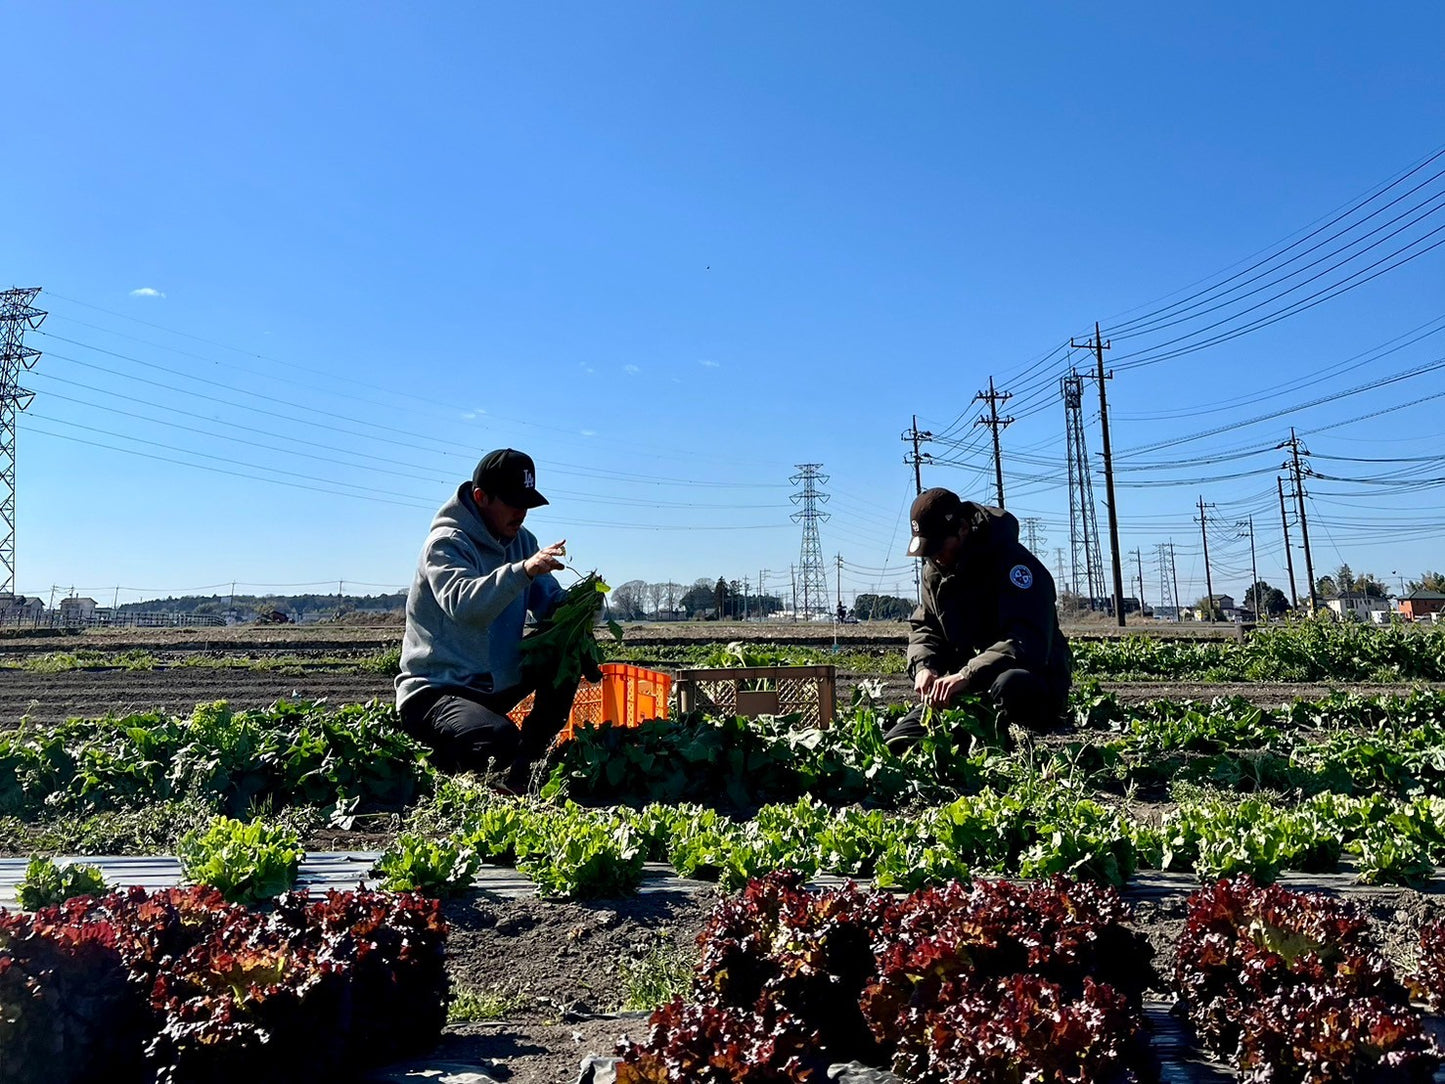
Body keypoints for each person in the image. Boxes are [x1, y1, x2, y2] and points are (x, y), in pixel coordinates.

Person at [395, 448, 581, 789]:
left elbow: (550, 603)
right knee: (496, 741)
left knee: (565, 651)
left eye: (527, 504)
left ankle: (530, 761)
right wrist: (523, 570)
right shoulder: (446, 544)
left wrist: (583, 605)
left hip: (493, 686)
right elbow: (465, 607)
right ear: (481, 497)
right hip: (437, 691)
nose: (521, 513)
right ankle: (445, 763)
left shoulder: (522, 541)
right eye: (512, 503)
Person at [882, 487, 1072, 752]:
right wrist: (925, 666)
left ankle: (1005, 746)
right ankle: (970, 738)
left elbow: (1026, 641)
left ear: (962, 529)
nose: (934, 556)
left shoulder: (1014, 564)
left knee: (1009, 685)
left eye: (938, 546)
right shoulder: (934, 573)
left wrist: (967, 674)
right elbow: (926, 626)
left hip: (1032, 683)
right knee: (895, 744)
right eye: (928, 550)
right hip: (968, 687)